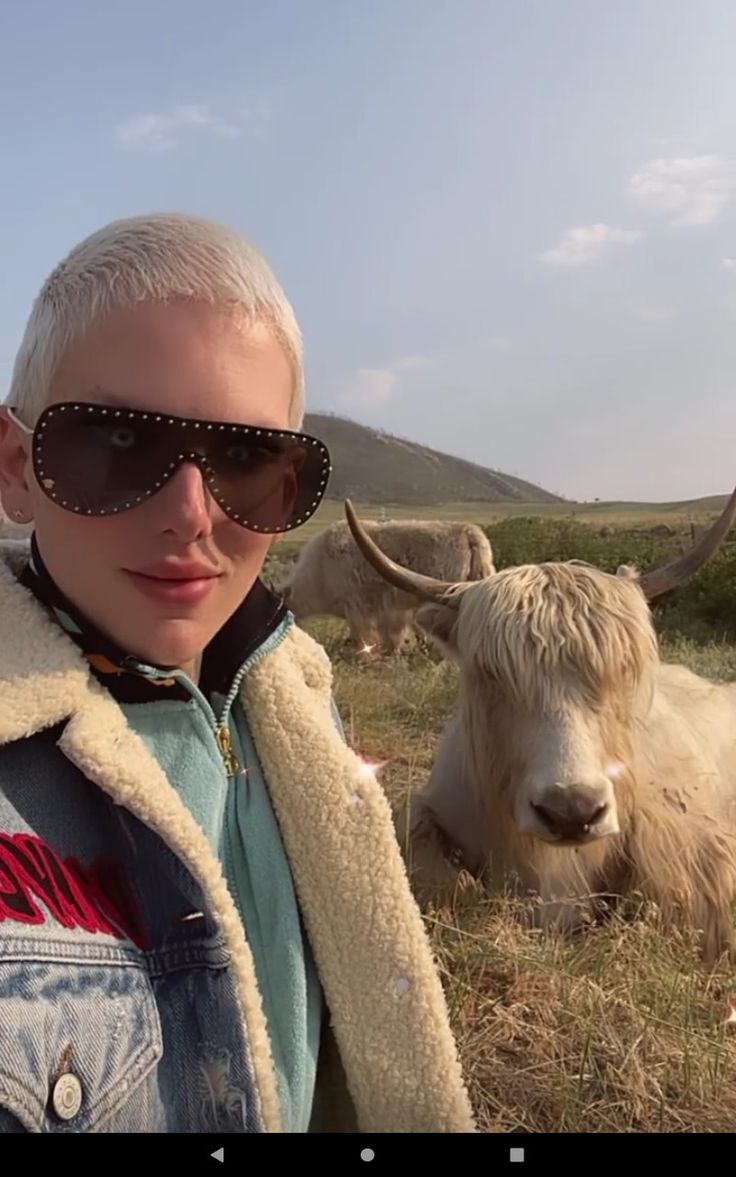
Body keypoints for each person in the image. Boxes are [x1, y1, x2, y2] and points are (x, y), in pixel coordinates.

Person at [0, 212, 477, 1134]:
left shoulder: (292, 689)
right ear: (17, 467)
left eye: (249, 460)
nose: (190, 514)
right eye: (115, 444)